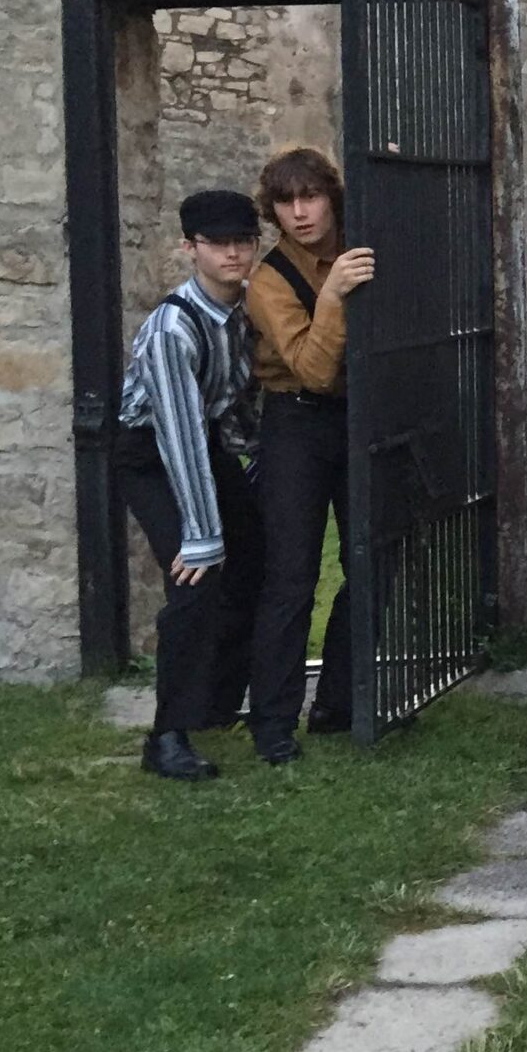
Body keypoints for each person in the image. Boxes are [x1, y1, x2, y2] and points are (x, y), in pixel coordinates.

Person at [118, 188, 265, 781]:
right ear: (190, 248)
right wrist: (201, 533)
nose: (233, 253)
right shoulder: (171, 331)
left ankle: (213, 705)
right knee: (195, 578)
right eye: (218, 243)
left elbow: (229, 402)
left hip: (201, 442)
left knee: (252, 559)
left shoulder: (239, 312)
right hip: (149, 453)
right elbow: (176, 435)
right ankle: (167, 735)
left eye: (243, 241)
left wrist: (249, 453)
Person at [241, 146, 372, 765]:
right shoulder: (268, 280)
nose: (300, 213)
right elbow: (315, 371)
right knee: (291, 577)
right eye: (286, 203)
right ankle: (272, 721)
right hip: (294, 419)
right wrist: (333, 297)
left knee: (371, 559)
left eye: (310, 197)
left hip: (360, 415)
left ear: (330, 198)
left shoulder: (359, 243)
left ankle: (339, 701)